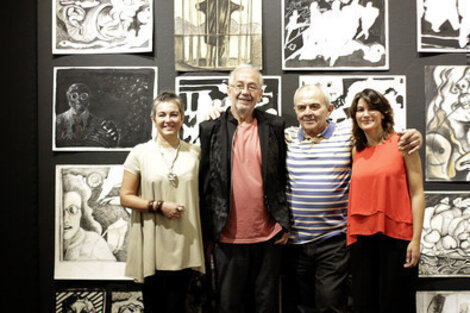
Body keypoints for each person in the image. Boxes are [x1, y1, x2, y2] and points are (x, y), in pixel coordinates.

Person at [282, 84, 423, 313]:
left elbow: (415, 189)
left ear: (329, 110)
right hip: (300, 242)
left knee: (336, 304)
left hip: (337, 240)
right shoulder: (286, 136)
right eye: (302, 107)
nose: (308, 111)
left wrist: (416, 135)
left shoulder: (350, 135)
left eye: (315, 106)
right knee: (304, 306)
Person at [198, 64, 290, 313]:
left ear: (261, 94)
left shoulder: (275, 127)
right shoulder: (210, 128)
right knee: (229, 306)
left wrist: (285, 222)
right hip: (226, 238)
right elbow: (205, 184)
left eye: (252, 86)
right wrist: (207, 235)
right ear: (228, 90)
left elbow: (283, 177)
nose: (245, 92)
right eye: (239, 85)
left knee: (266, 306)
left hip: (269, 237)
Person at [120, 91, 205, 313]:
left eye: (174, 114)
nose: (168, 120)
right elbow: (125, 196)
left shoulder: (195, 153)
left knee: (178, 306)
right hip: (152, 243)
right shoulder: (140, 153)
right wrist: (159, 206)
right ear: (153, 119)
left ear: (183, 118)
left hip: (185, 242)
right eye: (162, 114)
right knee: (153, 307)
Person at [347, 88, 425, 313]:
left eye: (372, 108)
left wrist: (416, 240)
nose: (366, 114)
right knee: (364, 305)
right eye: (360, 110)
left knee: (396, 304)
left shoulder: (403, 143)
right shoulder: (356, 150)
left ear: (383, 113)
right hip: (362, 239)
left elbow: (418, 193)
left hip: (397, 238)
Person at [62, 173, 116, 261]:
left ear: (81, 213)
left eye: (72, 210)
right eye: (60, 212)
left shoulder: (95, 243)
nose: (65, 219)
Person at [56, 82, 120, 148]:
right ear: (68, 98)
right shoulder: (56, 122)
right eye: (74, 96)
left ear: (89, 99)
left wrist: (113, 141)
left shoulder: (101, 125)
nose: (78, 100)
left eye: (83, 96)